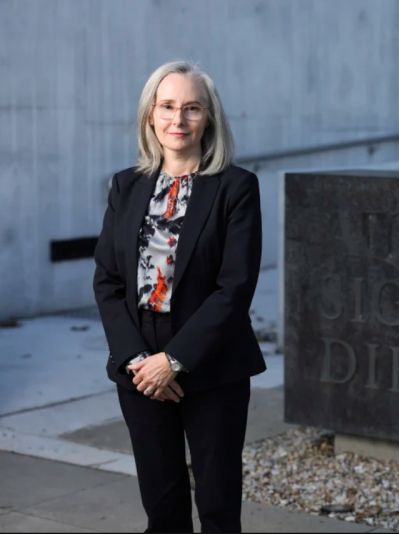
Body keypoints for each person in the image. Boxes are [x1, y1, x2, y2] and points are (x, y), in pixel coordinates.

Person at [93, 60, 265, 533]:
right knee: (163, 509)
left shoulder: (236, 188)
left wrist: (174, 360)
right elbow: (107, 280)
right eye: (167, 106)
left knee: (217, 507)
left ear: (209, 117)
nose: (178, 119)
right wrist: (138, 359)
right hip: (140, 369)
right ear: (150, 114)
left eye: (192, 108)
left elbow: (235, 288)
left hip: (211, 366)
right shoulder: (126, 186)